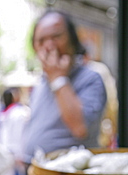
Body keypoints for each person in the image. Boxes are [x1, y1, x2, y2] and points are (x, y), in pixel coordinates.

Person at [23, 10, 107, 164]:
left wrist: (58, 79)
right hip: (35, 167)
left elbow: (80, 128)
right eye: (41, 40)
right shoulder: (42, 82)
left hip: (66, 173)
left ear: (73, 40)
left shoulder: (91, 78)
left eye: (56, 37)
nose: (49, 46)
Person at [0, 87, 30, 175]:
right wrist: (20, 154)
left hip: (5, 150)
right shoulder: (18, 112)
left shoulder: (3, 112)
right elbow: (18, 134)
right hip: (15, 151)